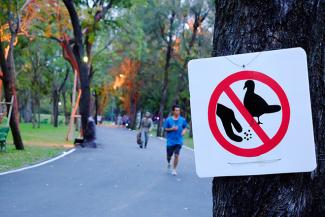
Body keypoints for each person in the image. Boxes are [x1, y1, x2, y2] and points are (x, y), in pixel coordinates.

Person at [164, 105, 187, 176]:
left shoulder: (182, 120)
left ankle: (174, 169)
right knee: (169, 156)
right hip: (170, 141)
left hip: (179, 141)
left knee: (176, 155)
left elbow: (185, 127)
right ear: (173, 111)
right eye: (176, 110)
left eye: (179, 110)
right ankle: (169, 161)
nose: (178, 112)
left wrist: (184, 131)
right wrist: (172, 129)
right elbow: (165, 129)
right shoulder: (168, 120)